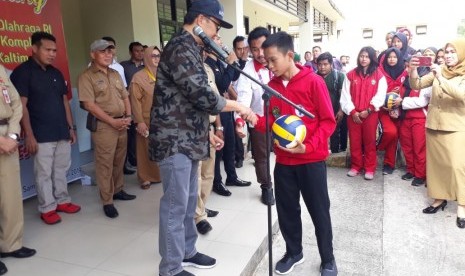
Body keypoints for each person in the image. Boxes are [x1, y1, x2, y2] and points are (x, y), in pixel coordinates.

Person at [148, 1, 257, 275]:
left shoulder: (193, 49)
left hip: (189, 138)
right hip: (174, 142)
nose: (216, 32)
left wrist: (207, 133)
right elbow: (203, 96)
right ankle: (170, 268)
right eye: (216, 25)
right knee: (175, 206)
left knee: (188, 203)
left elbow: (186, 103)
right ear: (200, 20)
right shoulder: (179, 48)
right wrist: (239, 106)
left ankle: (187, 251)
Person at [252, 31, 337, 276]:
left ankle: (328, 258)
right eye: (265, 61)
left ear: (289, 56)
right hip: (285, 162)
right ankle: (294, 252)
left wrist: (308, 147)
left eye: (272, 60)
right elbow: (270, 121)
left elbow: (327, 121)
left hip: (311, 160)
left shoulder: (314, 82)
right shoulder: (271, 87)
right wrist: (250, 119)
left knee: (319, 210)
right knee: (287, 210)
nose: (269, 65)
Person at [11, 31, 81, 225]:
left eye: (55, 50)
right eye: (47, 49)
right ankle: (47, 208)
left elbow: (64, 102)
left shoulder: (56, 73)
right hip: (40, 134)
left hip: (61, 131)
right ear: (34, 48)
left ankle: (62, 200)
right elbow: (21, 106)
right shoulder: (23, 72)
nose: (52, 54)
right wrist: (29, 135)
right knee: (43, 173)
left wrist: (70, 128)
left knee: (61, 169)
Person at [409, 38, 465, 229]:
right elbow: (416, 85)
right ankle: (439, 199)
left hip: (456, 126)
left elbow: (461, 95)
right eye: (446, 52)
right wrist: (412, 69)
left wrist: (440, 77)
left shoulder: (461, 74)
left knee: (457, 167)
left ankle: (462, 207)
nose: (448, 56)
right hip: (433, 124)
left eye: (452, 52)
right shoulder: (438, 71)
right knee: (437, 166)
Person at [78, 39, 136, 219]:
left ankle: (118, 190)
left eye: (110, 52)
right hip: (104, 127)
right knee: (105, 164)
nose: (107, 55)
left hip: (122, 124)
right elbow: (89, 105)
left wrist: (128, 116)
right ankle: (107, 200)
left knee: (119, 160)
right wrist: (112, 121)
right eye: (103, 52)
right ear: (93, 54)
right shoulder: (86, 76)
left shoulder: (115, 74)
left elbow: (125, 96)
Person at [0, 64, 36, 275]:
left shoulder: (1, 70)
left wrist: (12, 136)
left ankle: (10, 245)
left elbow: (15, 103)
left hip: (8, 136)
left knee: (10, 196)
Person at [205, 34, 251, 197]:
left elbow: (234, 76)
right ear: (209, 44)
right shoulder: (207, 64)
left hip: (226, 109)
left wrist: (241, 60)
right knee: (219, 149)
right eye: (217, 38)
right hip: (217, 111)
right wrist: (231, 62)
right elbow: (223, 85)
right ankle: (217, 182)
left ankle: (231, 176)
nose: (220, 41)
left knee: (230, 144)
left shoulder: (218, 61)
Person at [235, 26, 275, 205]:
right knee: (262, 157)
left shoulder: (279, 61)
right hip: (259, 120)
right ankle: (266, 187)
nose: (260, 53)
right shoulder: (248, 71)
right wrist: (239, 120)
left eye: (263, 47)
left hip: (283, 119)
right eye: (255, 49)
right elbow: (243, 97)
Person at [340, 46, 387, 180]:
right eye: (361, 56)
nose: (364, 59)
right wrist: (353, 112)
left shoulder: (379, 75)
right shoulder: (350, 74)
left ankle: (370, 168)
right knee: (354, 141)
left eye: (366, 56)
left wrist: (369, 110)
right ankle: (356, 166)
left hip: (370, 114)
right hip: (353, 114)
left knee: (369, 141)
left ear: (372, 58)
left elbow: (380, 95)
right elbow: (345, 95)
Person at [195, 55, 225, 235]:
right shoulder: (185, 71)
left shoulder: (207, 68)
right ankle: (198, 216)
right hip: (195, 130)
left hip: (210, 128)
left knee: (208, 173)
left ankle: (202, 208)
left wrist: (218, 125)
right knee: (196, 176)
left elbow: (216, 98)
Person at [393, 56, 431, 186]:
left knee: (419, 148)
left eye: (409, 66)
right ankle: (411, 170)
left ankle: (420, 174)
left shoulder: (424, 80)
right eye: (407, 66)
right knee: (407, 147)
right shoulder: (404, 81)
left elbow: (422, 101)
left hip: (419, 119)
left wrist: (402, 101)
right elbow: (399, 98)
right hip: (404, 118)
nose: (407, 69)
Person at [129, 46, 162, 189]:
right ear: (147, 57)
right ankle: (145, 177)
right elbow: (134, 102)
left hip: (162, 120)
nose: (156, 59)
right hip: (146, 120)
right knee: (144, 149)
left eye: (158, 56)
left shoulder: (163, 74)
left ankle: (158, 175)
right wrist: (139, 122)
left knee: (159, 149)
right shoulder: (139, 77)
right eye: (153, 56)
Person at [377, 47, 408, 175]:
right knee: (391, 132)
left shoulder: (406, 73)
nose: (392, 59)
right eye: (389, 57)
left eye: (395, 57)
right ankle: (375, 149)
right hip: (383, 109)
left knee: (396, 136)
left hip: (400, 109)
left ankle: (389, 164)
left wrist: (400, 98)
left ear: (399, 58)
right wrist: (382, 104)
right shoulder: (380, 71)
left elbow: (409, 90)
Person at [316, 52, 346, 154]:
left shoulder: (339, 76)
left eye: (325, 64)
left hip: (335, 110)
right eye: (320, 64)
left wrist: (341, 111)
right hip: (318, 112)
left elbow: (343, 95)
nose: (322, 67)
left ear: (331, 64)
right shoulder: (314, 77)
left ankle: (335, 153)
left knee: (335, 133)